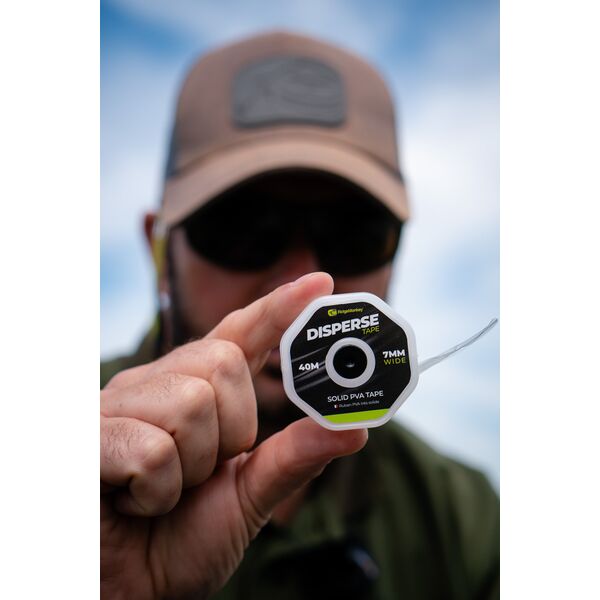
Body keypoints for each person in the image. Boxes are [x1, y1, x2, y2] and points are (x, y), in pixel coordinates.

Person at [101, 31, 499, 599]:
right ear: (159, 249)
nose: (303, 286)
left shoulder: (467, 524)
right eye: (242, 227)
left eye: (355, 234)